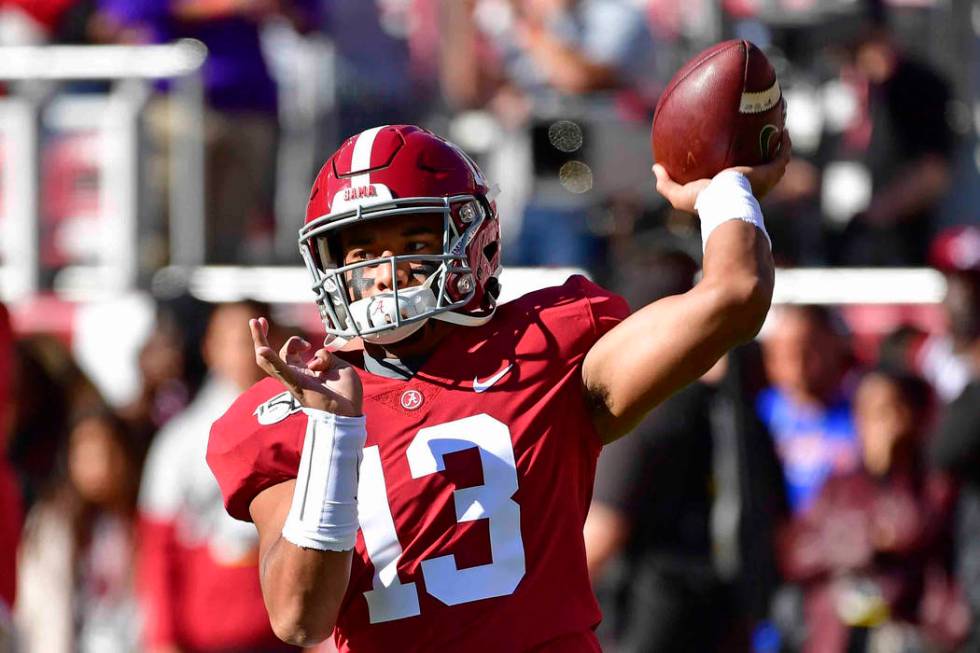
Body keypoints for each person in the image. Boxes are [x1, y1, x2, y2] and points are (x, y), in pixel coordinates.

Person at [207, 124, 788, 651]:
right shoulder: (289, 412)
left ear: (471, 237)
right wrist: (333, 434)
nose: (385, 272)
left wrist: (722, 191)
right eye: (361, 252)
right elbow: (300, 617)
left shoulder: (547, 343)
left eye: (412, 244)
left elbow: (733, 299)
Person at [137, 301, 296, 653]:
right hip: (206, 631)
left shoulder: (305, 427)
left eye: (254, 338)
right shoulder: (180, 440)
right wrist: (162, 636)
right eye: (232, 339)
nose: (244, 350)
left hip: (286, 633)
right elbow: (158, 547)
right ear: (210, 347)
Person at [779, 369, 962, 653]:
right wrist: (861, 541)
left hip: (907, 634)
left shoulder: (933, 484)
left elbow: (916, 529)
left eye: (887, 411)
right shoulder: (836, 486)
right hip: (838, 636)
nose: (878, 425)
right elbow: (795, 552)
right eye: (867, 413)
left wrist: (893, 466)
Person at [16, 409, 143, 653]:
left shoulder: (141, 521)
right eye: (87, 453)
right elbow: (39, 610)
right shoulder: (51, 528)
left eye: (107, 451)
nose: (99, 463)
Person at [758, 304, 860, 515]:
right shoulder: (758, 415)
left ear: (834, 346)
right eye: (788, 353)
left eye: (809, 350)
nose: (800, 363)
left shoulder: (863, 409)